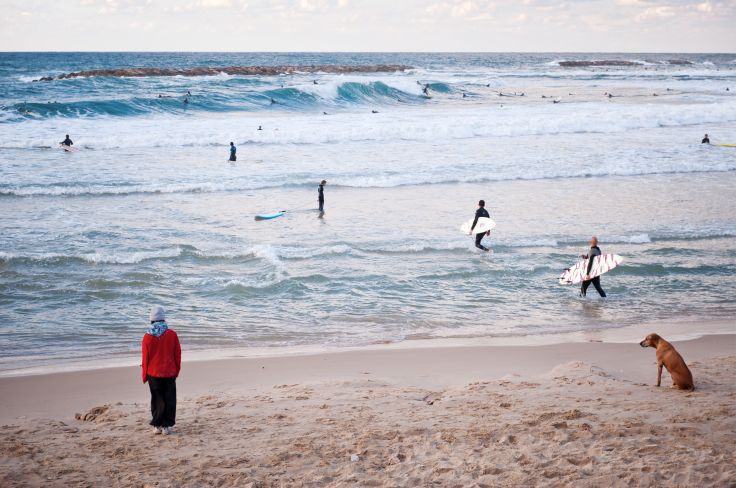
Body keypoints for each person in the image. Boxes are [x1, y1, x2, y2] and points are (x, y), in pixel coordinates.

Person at [141, 305, 181, 435]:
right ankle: (166, 426)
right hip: (169, 372)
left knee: (157, 398)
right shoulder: (172, 334)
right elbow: (177, 354)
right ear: (163, 319)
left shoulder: (147, 336)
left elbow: (145, 358)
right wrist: (177, 369)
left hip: (153, 373)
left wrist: (144, 375)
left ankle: (157, 425)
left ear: (151, 319)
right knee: (169, 398)